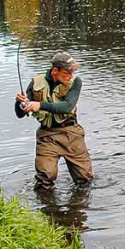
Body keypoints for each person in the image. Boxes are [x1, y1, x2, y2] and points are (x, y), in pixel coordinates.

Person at [15, 52, 94, 190]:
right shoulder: (36, 82)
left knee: (84, 180)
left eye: (72, 72)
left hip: (72, 134)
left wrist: (40, 105)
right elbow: (19, 114)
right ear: (55, 71)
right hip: (47, 135)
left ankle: (79, 208)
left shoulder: (76, 82)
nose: (70, 76)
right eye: (67, 73)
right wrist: (20, 104)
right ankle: (47, 209)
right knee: (45, 179)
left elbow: (67, 106)